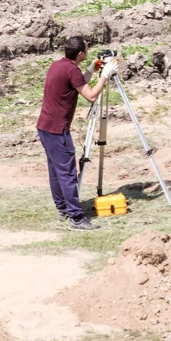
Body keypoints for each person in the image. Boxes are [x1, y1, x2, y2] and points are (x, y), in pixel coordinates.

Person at [36, 36, 118, 231]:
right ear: (80, 53)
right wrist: (105, 75)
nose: (89, 50)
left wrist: (91, 70)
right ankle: (76, 218)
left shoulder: (59, 65)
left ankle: (63, 209)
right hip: (57, 131)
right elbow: (90, 95)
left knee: (56, 172)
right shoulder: (71, 70)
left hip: (45, 128)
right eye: (87, 49)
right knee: (67, 174)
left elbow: (76, 83)